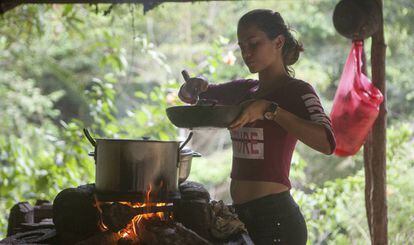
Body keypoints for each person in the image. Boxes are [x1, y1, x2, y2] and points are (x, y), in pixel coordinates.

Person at [178, 9, 336, 245]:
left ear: (279, 42)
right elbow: (194, 96)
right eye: (242, 46)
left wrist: (270, 110)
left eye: (254, 44)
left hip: (277, 220)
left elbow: (327, 143)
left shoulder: (297, 91)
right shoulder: (243, 90)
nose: (246, 53)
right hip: (238, 217)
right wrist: (193, 87)